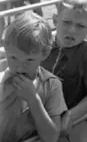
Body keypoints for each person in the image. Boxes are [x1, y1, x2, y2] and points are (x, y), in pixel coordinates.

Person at [41, 0, 87, 141]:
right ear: (55, 20)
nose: (72, 30)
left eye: (80, 26)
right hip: (39, 115)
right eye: (66, 22)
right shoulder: (41, 44)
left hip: (71, 116)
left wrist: (71, 116)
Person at [0, 12, 67, 142]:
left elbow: (51, 137)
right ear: (5, 49)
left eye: (29, 60)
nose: (19, 67)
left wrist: (33, 99)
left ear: (45, 53)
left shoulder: (51, 85)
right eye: (13, 57)